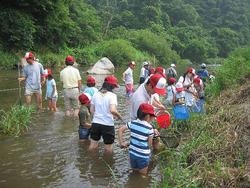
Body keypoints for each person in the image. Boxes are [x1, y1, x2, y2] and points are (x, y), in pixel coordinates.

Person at [118, 103, 156, 175]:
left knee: (134, 172)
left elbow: (120, 130)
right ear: (148, 116)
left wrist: (122, 143)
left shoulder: (132, 123)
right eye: (152, 116)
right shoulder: (150, 128)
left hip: (132, 154)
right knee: (143, 175)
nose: (153, 118)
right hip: (143, 156)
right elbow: (149, 144)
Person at [89, 75, 122, 154]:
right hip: (107, 124)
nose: (114, 88)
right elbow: (113, 110)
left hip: (95, 123)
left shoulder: (95, 94)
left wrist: (98, 116)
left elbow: (91, 110)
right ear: (111, 86)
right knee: (108, 148)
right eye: (114, 86)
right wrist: (119, 116)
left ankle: (90, 161)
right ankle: (108, 162)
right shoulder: (112, 96)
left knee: (93, 145)